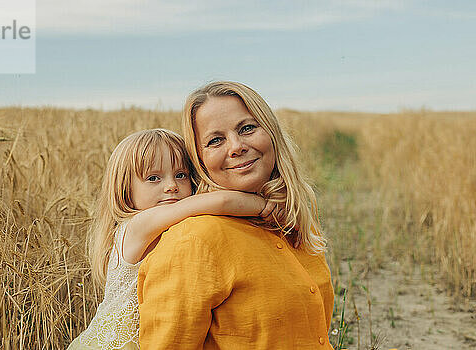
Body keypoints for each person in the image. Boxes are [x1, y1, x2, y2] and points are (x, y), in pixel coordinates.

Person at [137, 82, 335, 349]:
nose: (236, 146)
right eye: (215, 140)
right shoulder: (194, 242)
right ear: (200, 159)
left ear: (272, 133)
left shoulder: (292, 217)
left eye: (247, 128)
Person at [67, 128, 279, 350]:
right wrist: (264, 207)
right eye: (153, 178)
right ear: (124, 189)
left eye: (181, 175)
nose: (171, 186)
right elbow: (222, 202)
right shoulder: (136, 226)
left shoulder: (177, 226)